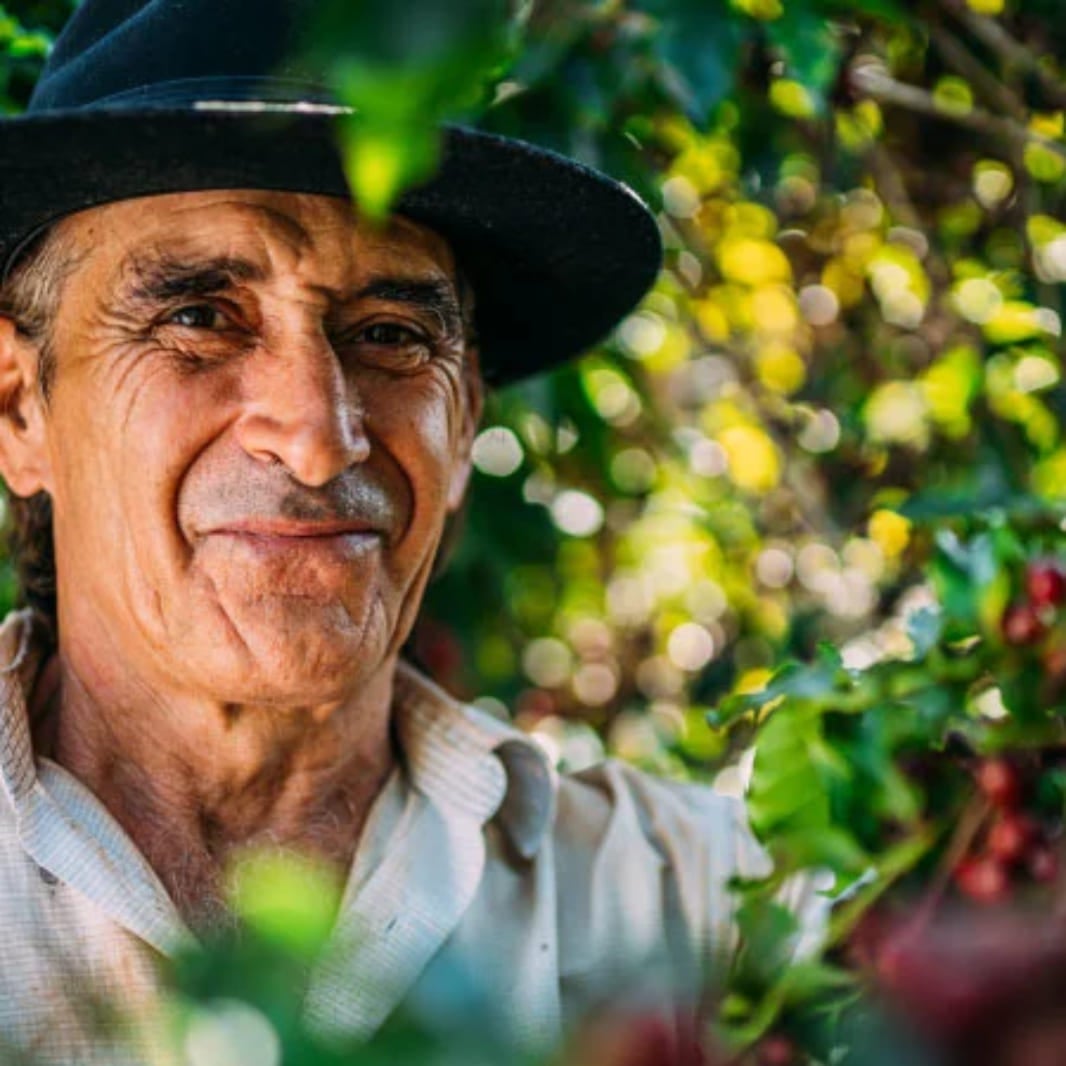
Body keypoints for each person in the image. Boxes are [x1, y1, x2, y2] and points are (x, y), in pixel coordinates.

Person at [0, 1, 817, 1062]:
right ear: (19, 410)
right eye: (200, 318)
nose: (317, 435)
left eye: (390, 336)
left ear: (465, 412)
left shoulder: (691, 911)